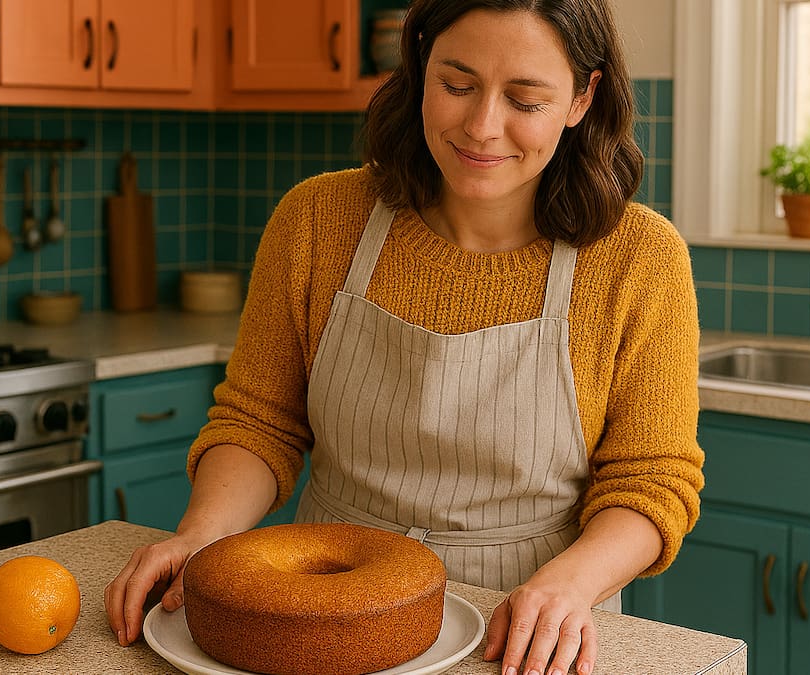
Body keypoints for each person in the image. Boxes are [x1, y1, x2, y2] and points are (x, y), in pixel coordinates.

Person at [105, 0, 704, 673]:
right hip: (327, 611)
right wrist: (199, 535)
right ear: (420, 68)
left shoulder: (639, 258)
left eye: (525, 100)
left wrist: (570, 585)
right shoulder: (317, 220)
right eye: (456, 84)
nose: (482, 126)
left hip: (527, 624)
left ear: (581, 99)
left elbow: (651, 481)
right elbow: (260, 421)